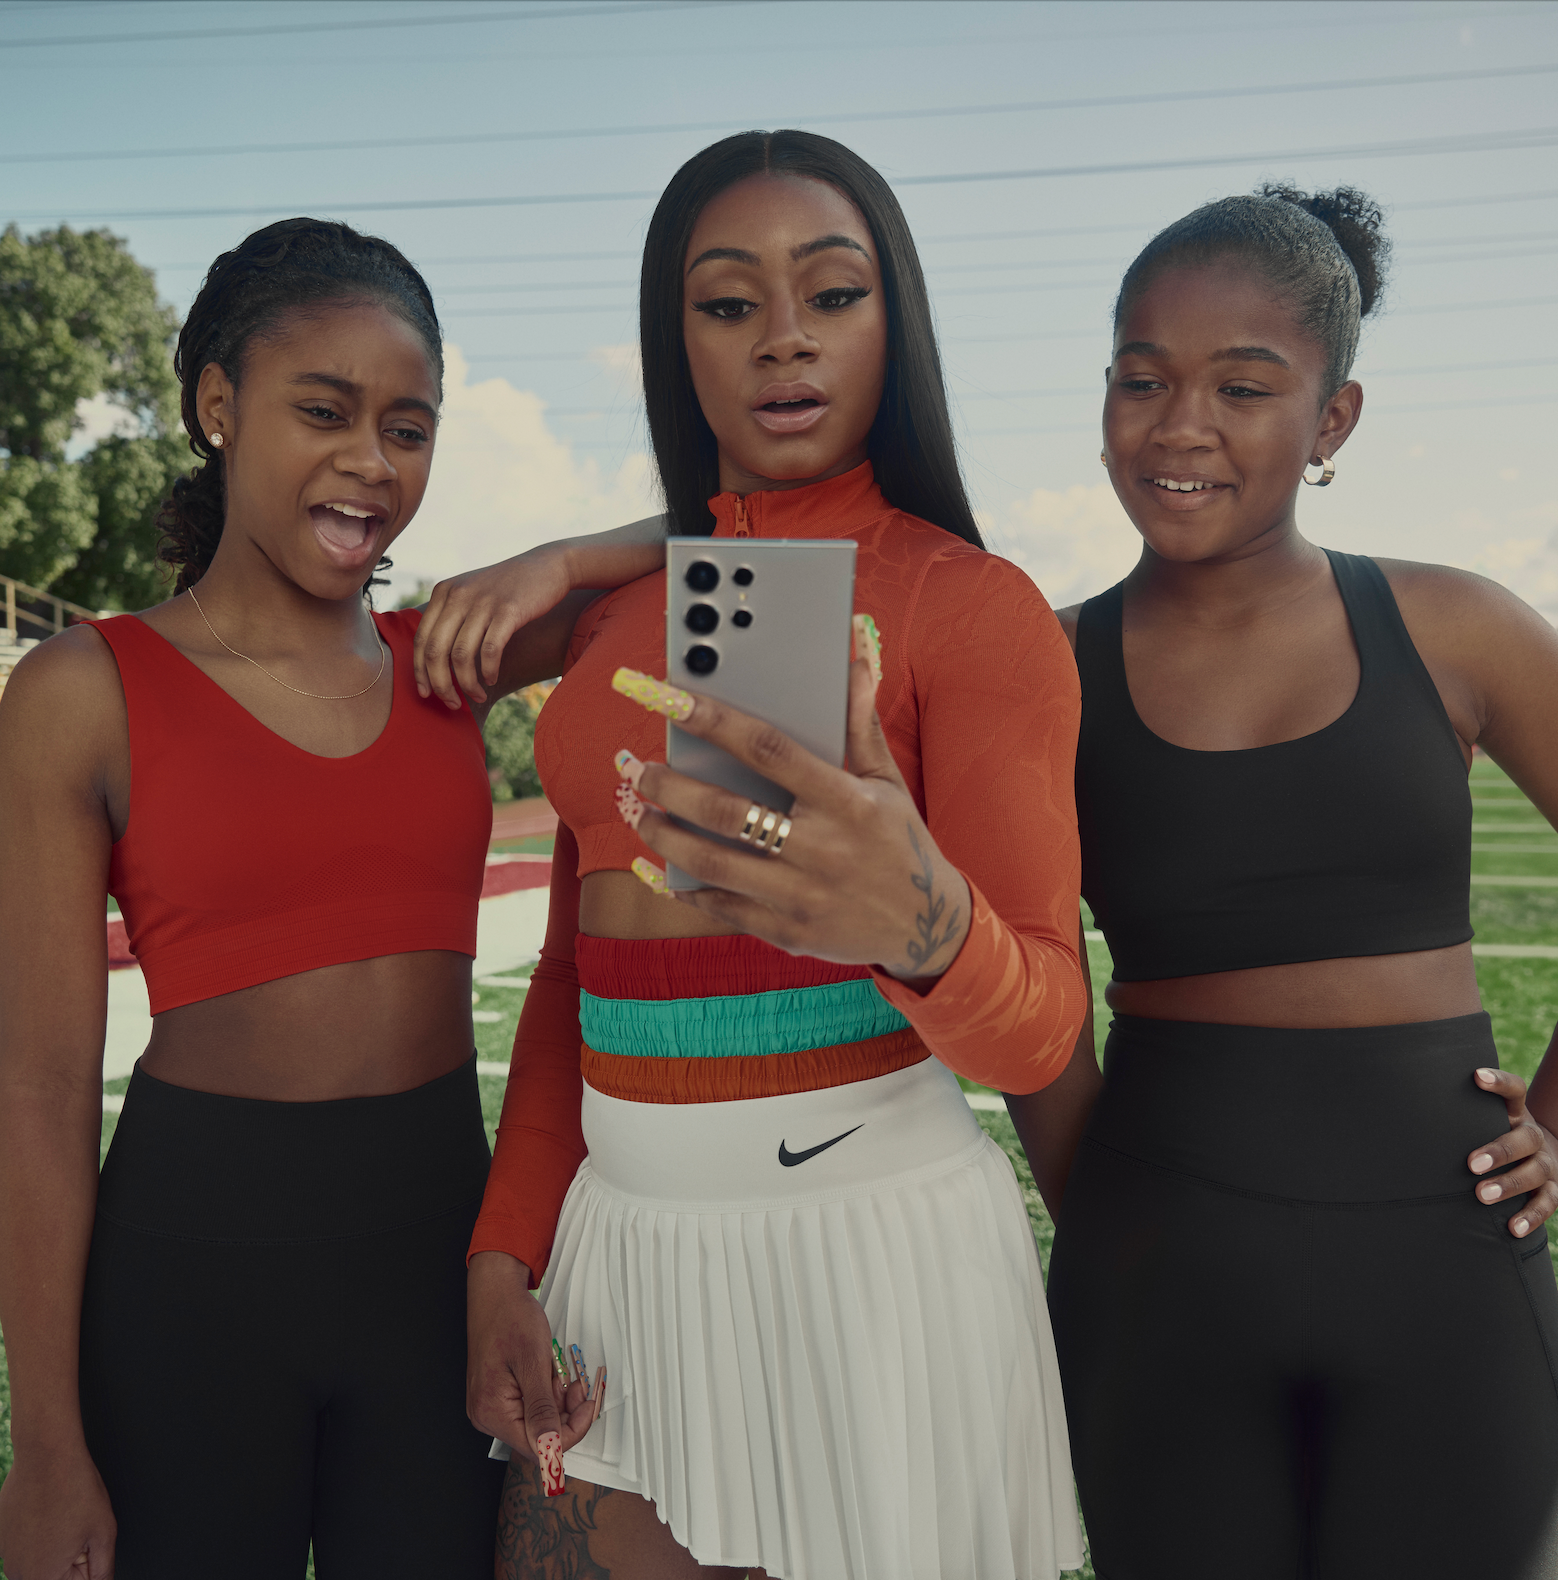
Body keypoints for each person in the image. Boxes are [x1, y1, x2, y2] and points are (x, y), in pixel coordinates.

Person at [425, 131, 1089, 1580]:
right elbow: (571, 981)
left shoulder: (971, 606)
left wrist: (922, 924)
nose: (784, 337)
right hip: (617, 1257)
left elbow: (1042, 1030)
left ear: (894, 323)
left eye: (833, 294)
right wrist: (501, 1257)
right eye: (728, 304)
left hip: (875, 1266)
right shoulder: (616, 619)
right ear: (677, 343)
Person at [1020, 186, 1558, 1578]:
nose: (1180, 425)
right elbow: (1017, 972)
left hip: (1442, 1255)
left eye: (1243, 387)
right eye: (1141, 381)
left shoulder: (1457, 625)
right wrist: (1100, 1201)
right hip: (1157, 1264)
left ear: (1332, 420)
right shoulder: (1045, 665)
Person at [0, 218, 594, 1580]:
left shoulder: (450, 660)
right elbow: (40, 1087)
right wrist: (45, 1444)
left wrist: (556, 562)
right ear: (218, 404)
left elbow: (711, 542)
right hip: (192, 1278)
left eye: (408, 429)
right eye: (324, 410)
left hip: (436, 1268)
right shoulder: (82, 692)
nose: (371, 461)